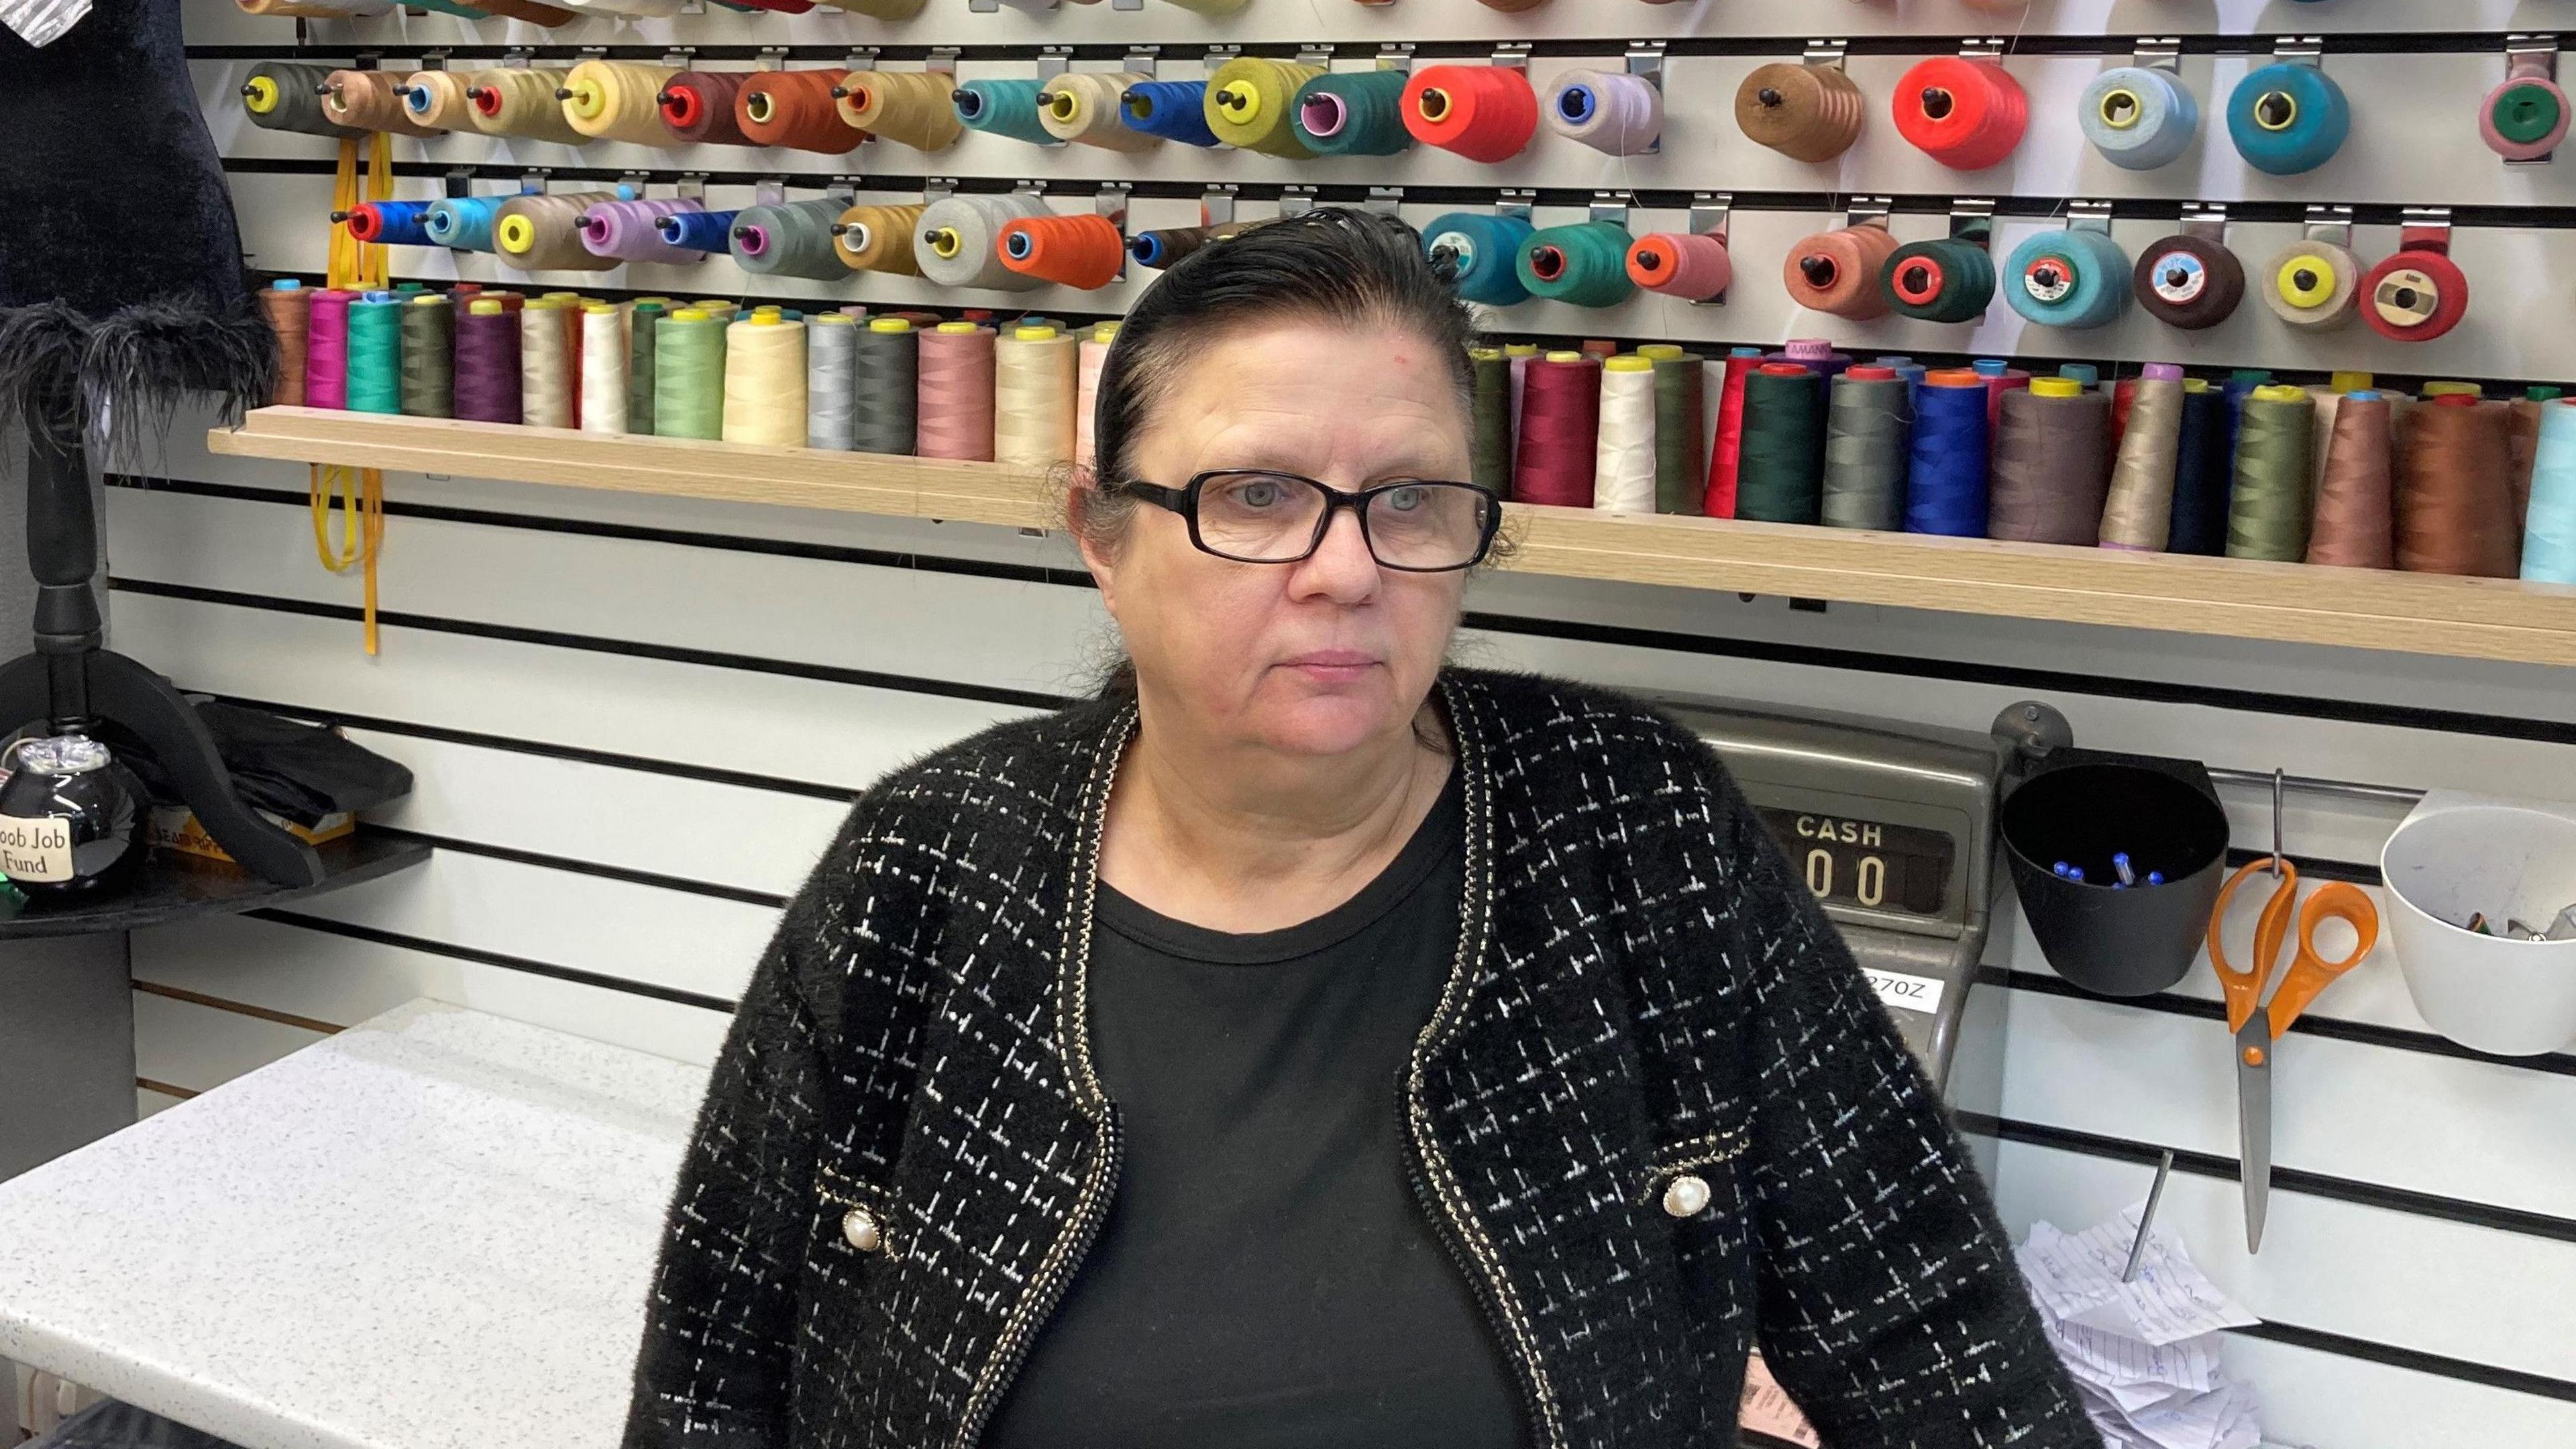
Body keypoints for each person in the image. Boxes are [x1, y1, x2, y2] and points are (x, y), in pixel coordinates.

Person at [621, 209, 2095, 1449]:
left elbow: (1929, 1328)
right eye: (1256, 497)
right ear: (1101, 538)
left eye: (1409, 499)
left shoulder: (1638, 831)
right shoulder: (926, 869)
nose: (1345, 570)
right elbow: (710, 1380)